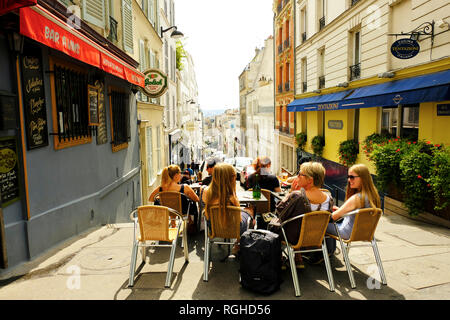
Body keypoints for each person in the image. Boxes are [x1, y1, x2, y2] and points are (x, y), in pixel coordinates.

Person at [272, 161, 332, 268]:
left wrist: (291, 192)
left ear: (310, 180)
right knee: (295, 223)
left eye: (300, 174)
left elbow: (279, 213)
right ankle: (298, 257)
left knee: (272, 223)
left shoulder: (297, 196)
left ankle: (279, 257)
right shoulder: (329, 198)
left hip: (294, 237)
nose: (297, 176)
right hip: (315, 238)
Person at [325, 163, 381, 256]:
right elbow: (357, 215)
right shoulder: (373, 196)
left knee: (319, 224)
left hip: (346, 232)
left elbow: (333, 217)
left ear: (362, 178)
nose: (348, 180)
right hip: (364, 233)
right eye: (348, 177)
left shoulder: (357, 198)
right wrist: (341, 210)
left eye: (352, 177)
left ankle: (325, 253)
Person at [202, 163, 254, 253]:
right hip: (233, 228)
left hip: (213, 226)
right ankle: (239, 244)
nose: (235, 178)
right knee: (250, 210)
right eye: (234, 176)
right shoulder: (231, 197)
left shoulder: (205, 191)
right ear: (229, 178)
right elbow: (238, 218)